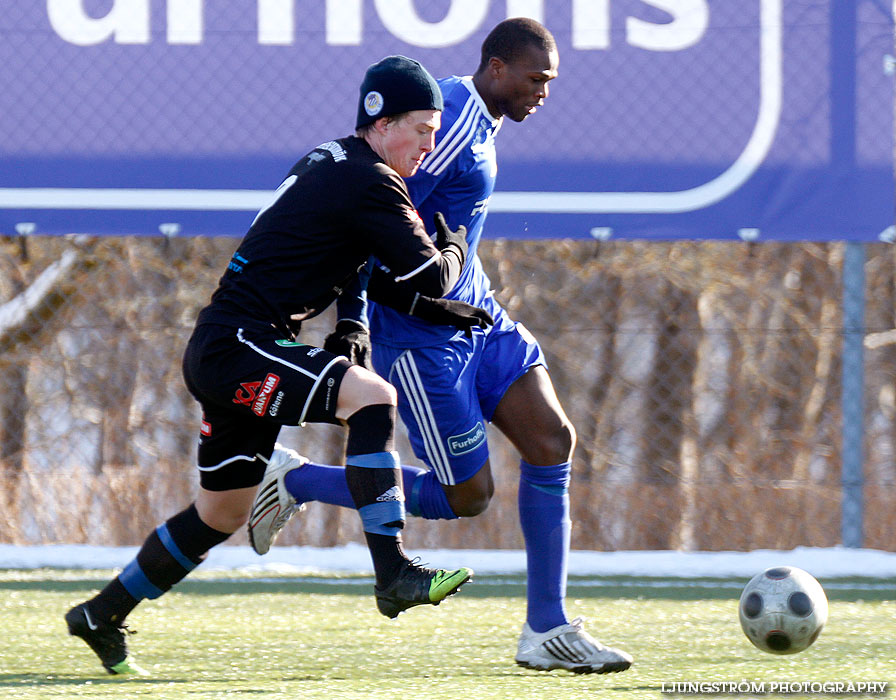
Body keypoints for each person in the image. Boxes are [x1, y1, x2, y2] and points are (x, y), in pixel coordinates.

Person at [64, 54, 476, 676]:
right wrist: (456, 244)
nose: (430, 142)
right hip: (241, 345)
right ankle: (393, 572)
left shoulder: (340, 163)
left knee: (223, 513)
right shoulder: (372, 180)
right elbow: (424, 270)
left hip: (225, 347)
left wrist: (369, 321)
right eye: (422, 128)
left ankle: (102, 612)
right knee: (372, 397)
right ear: (381, 119)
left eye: (435, 130)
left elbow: (364, 267)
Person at [248, 18, 633, 674]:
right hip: (426, 346)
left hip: (480, 318)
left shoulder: (477, 121)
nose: (544, 92)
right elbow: (373, 224)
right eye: (536, 78)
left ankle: (548, 628)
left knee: (552, 440)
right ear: (498, 68)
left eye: (551, 81)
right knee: (468, 497)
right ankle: (297, 479)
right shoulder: (448, 124)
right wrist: (365, 318)